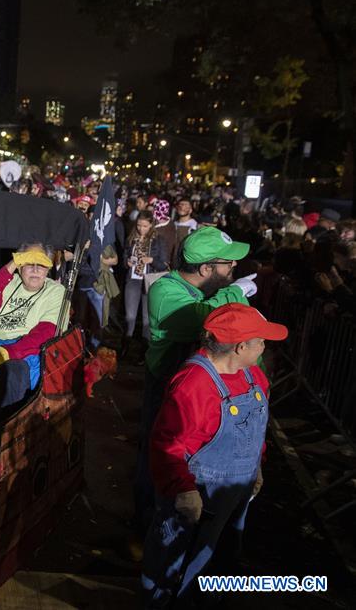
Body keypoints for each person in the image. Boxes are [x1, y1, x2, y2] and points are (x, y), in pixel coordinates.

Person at [142, 303, 288, 607]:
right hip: (197, 492)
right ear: (240, 347)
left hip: (234, 494)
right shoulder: (194, 384)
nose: (265, 346)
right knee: (172, 559)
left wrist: (257, 466)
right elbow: (167, 443)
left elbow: (256, 430)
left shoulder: (254, 377)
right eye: (261, 340)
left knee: (214, 557)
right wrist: (182, 489)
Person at [133, 226, 257, 534]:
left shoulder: (204, 289)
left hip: (196, 386)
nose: (233, 267)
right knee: (160, 455)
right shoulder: (165, 290)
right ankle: (147, 527)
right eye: (227, 263)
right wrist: (235, 293)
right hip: (166, 386)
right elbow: (206, 318)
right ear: (206, 268)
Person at [0, 244, 69, 408]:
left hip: (25, 351)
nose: (35, 269)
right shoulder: (9, 282)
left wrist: (5, 354)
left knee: (13, 372)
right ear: (20, 267)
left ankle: (5, 428)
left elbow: (46, 334)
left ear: (48, 268)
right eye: (28, 262)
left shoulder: (56, 291)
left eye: (41, 264)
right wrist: (11, 265)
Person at [124, 211, 169, 343]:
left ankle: (144, 349)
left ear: (151, 225)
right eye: (139, 225)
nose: (141, 229)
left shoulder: (158, 240)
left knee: (146, 319)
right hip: (133, 280)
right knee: (130, 316)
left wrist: (152, 260)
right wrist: (127, 262)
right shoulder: (131, 238)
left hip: (150, 282)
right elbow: (124, 256)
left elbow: (164, 265)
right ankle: (126, 342)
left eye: (145, 226)